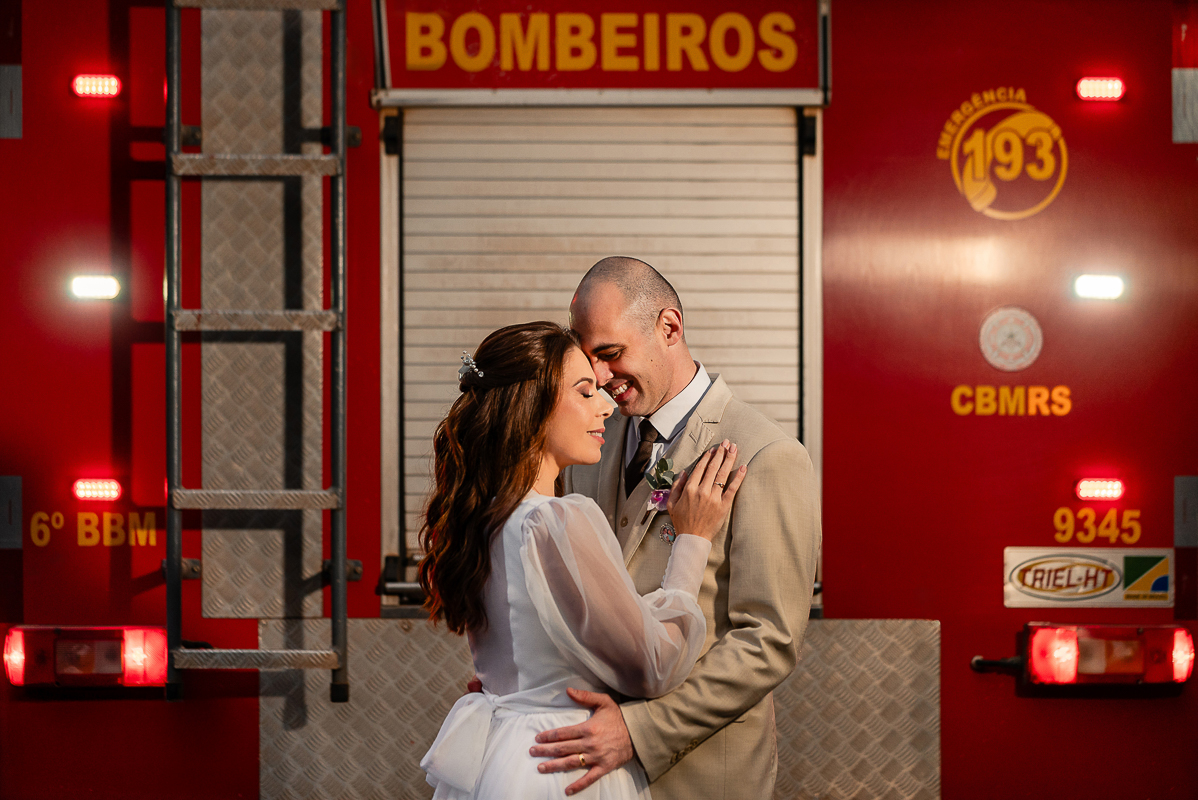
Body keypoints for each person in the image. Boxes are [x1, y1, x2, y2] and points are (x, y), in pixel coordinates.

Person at [417, 321, 747, 800]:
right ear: (533, 406)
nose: (607, 406)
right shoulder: (557, 519)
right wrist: (692, 540)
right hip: (561, 765)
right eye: (585, 391)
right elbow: (655, 667)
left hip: (503, 754)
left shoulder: (481, 519)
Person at [531, 257, 822, 800]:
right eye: (589, 358)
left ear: (669, 327)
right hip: (592, 772)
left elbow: (768, 640)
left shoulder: (768, 455)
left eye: (610, 353)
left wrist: (639, 731)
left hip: (702, 778)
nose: (599, 377)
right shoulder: (589, 444)